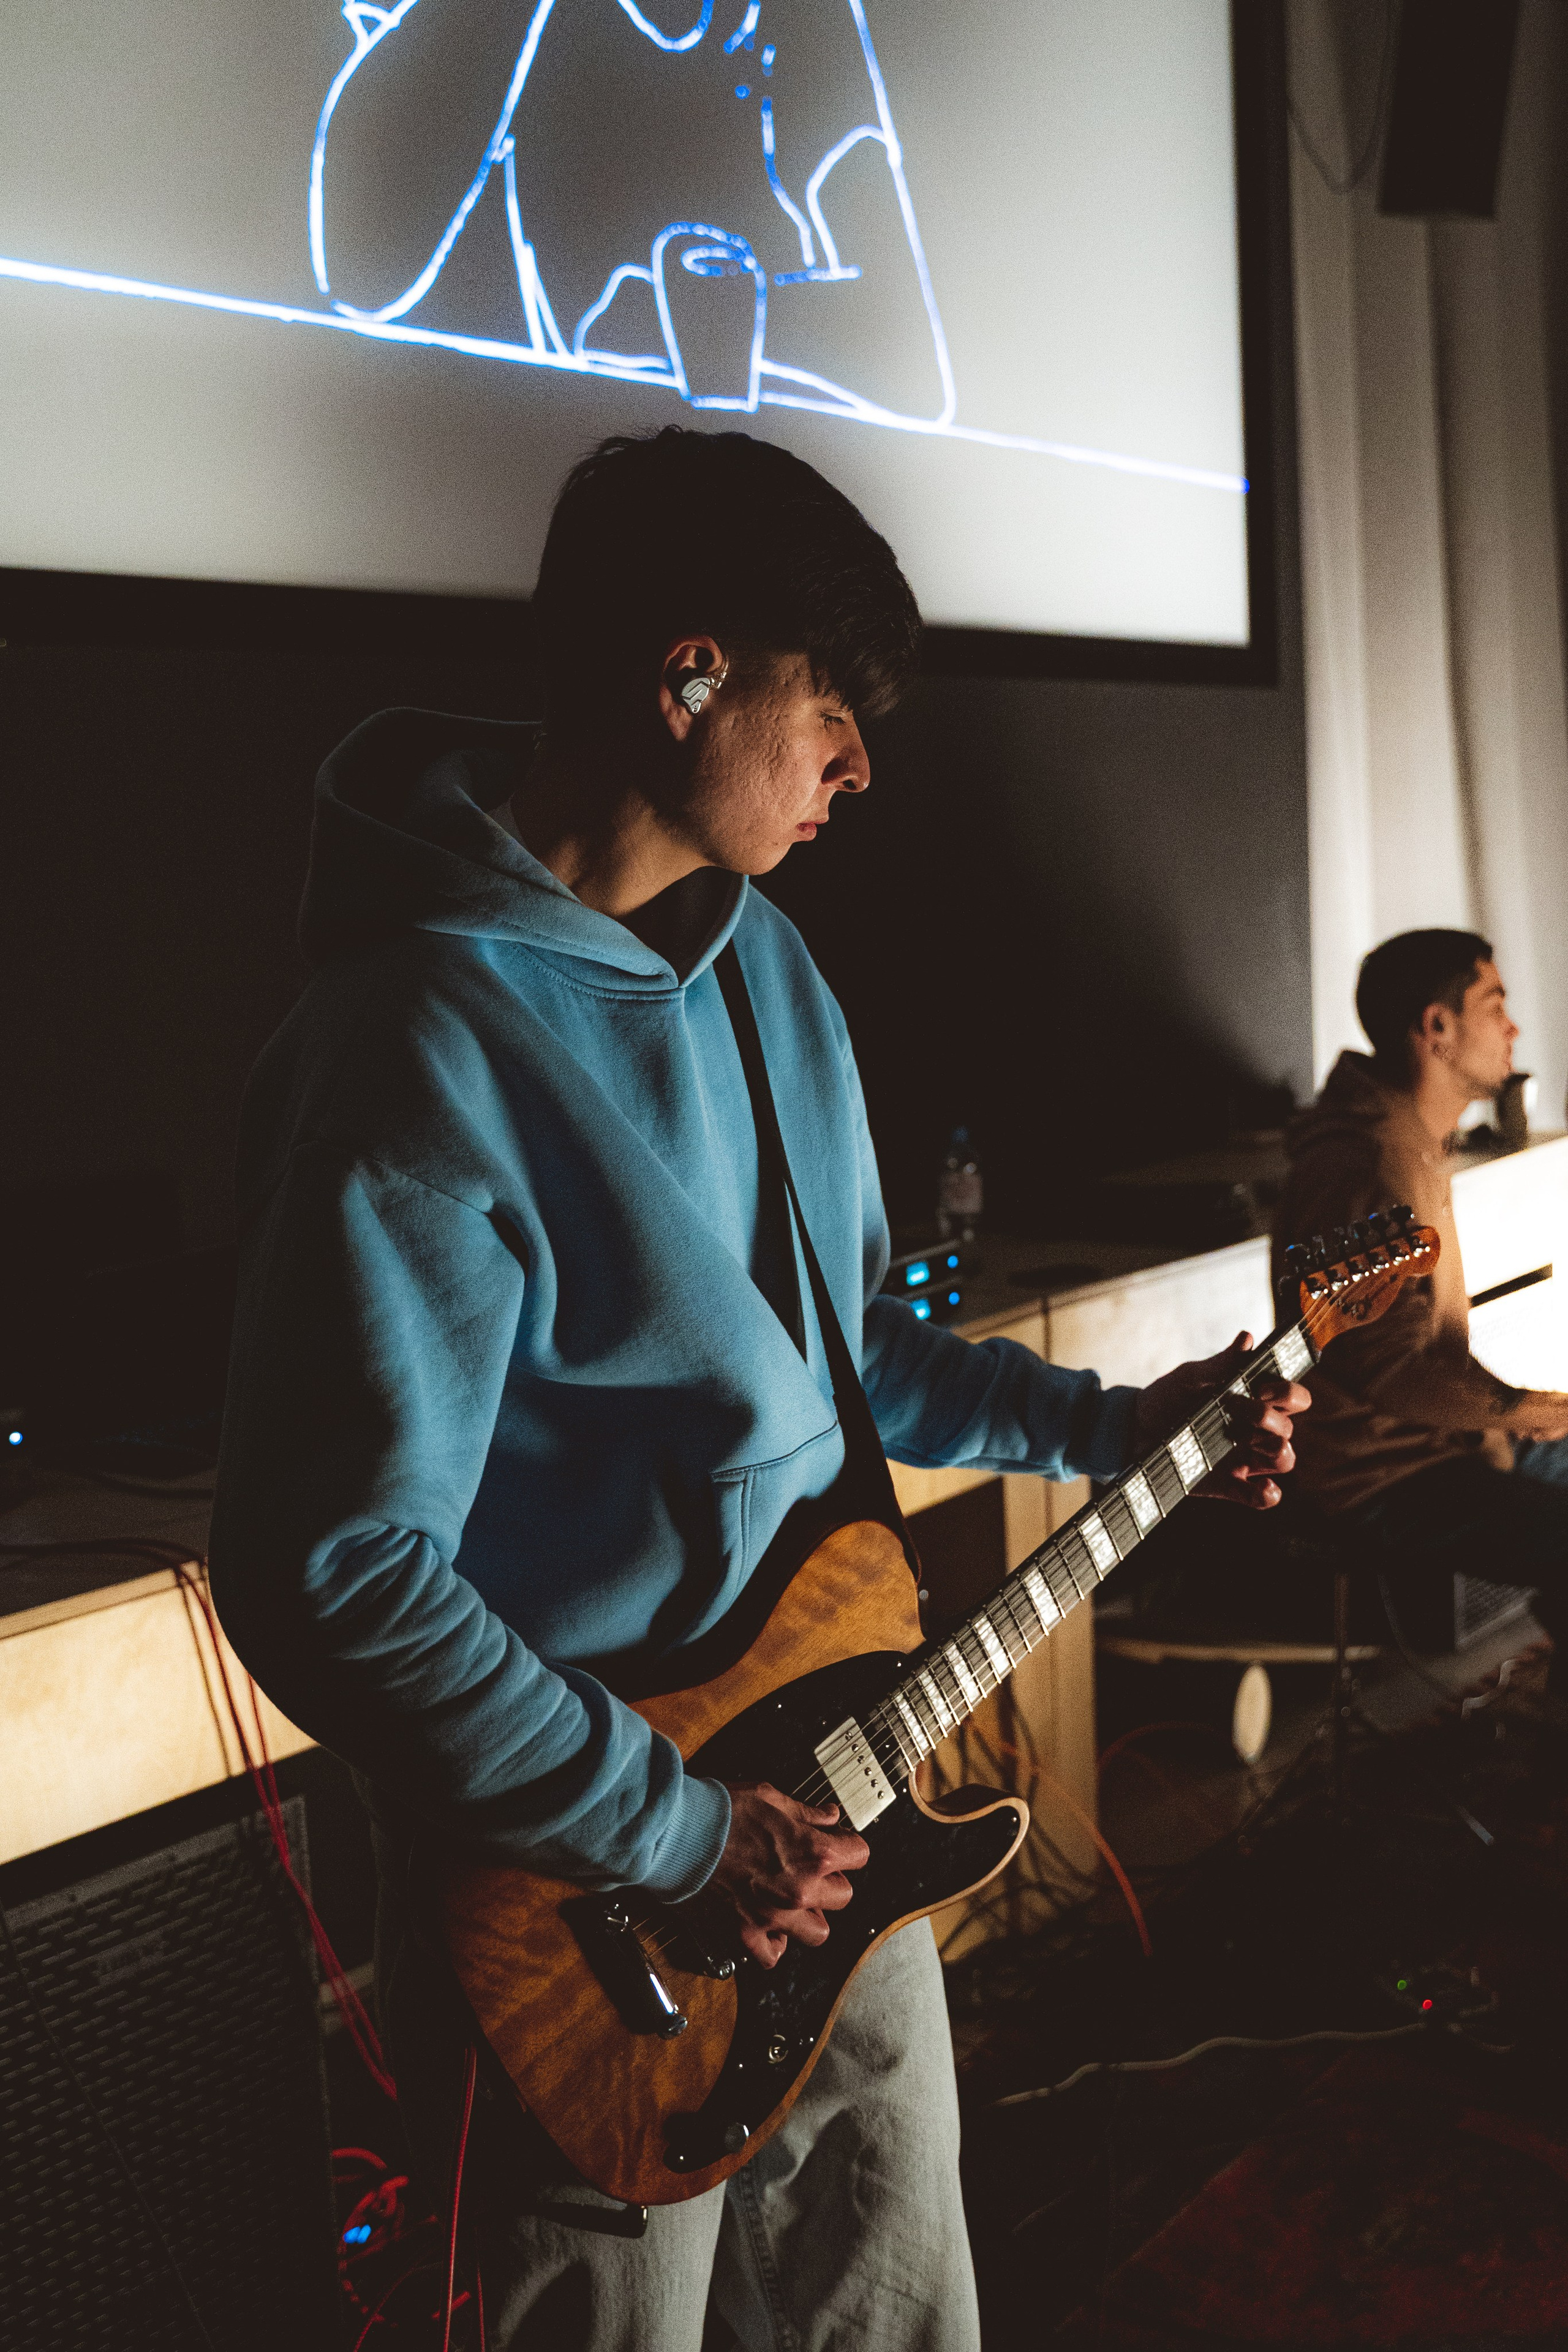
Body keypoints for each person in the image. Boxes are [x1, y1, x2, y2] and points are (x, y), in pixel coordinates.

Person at [210, 426, 1306, 2352]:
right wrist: (671, 1829)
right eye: (833, 713)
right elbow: (332, 1570)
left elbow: (851, 1358)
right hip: (590, 1916)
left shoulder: (770, 968)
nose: (858, 771)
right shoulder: (407, 1047)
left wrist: (1113, 1427)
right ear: (690, 676)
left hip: (836, 1830)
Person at [1273, 927, 1568, 1665]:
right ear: (1437, 1028)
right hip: (1379, 1474)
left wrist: (1524, 1415)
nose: (1513, 1028)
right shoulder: (1369, 1163)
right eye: (1494, 1005)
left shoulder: (1407, 1139)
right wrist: (1529, 1409)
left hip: (1441, 1442)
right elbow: (1388, 1371)